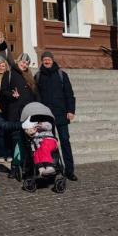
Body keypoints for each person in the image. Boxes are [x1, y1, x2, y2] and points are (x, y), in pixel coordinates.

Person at [36, 51, 77, 181]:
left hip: (61, 113)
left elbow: (69, 94)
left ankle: (69, 171)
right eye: (44, 59)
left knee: (65, 141)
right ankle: (54, 168)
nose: (47, 61)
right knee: (49, 143)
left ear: (52, 60)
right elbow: (37, 96)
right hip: (46, 116)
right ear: (42, 61)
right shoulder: (38, 76)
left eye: (49, 59)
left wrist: (71, 110)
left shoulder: (61, 75)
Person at [0, 53, 38, 177]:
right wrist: (12, 95)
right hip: (15, 113)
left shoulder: (30, 76)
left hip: (28, 113)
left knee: (27, 140)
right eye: (22, 62)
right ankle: (15, 167)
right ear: (18, 61)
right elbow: (3, 92)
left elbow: (35, 94)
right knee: (16, 140)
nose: (24, 65)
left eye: (26, 63)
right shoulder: (9, 74)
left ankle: (26, 166)